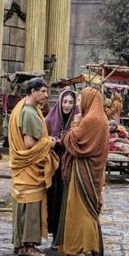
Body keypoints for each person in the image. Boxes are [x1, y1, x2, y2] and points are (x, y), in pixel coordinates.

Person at [55, 87, 109, 256]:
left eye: (79, 101)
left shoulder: (90, 120)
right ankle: (88, 248)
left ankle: (86, 250)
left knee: (82, 211)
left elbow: (74, 140)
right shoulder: (101, 118)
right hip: (92, 171)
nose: (78, 105)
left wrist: (75, 125)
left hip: (84, 172)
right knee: (87, 211)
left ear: (88, 100)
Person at [8, 78, 59, 256]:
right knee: (30, 206)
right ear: (32, 92)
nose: (46, 95)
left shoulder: (25, 106)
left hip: (23, 168)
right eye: (43, 91)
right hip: (29, 167)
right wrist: (49, 142)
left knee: (22, 204)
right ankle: (28, 246)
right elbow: (29, 143)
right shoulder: (29, 112)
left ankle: (20, 243)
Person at [45, 89, 79, 247]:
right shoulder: (50, 119)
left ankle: (65, 236)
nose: (67, 105)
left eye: (71, 102)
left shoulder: (78, 120)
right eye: (64, 101)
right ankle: (54, 236)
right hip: (54, 167)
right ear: (59, 102)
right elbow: (43, 138)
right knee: (54, 200)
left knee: (68, 201)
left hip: (70, 166)